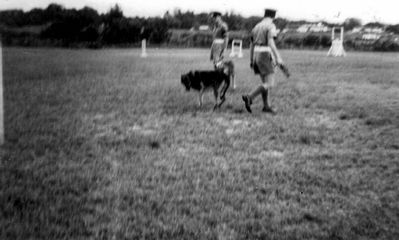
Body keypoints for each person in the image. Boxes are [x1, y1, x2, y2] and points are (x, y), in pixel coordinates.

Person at [242, 8, 284, 114]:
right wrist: (278, 57)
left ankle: (266, 106)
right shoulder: (271, 26)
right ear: (273, 17)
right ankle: (250, 97)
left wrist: (251, 60)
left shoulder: (256, 26)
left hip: (256, 55)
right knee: (270, 83)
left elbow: (251, 45)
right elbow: (271, 43)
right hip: (265, 54)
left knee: (265, 83)